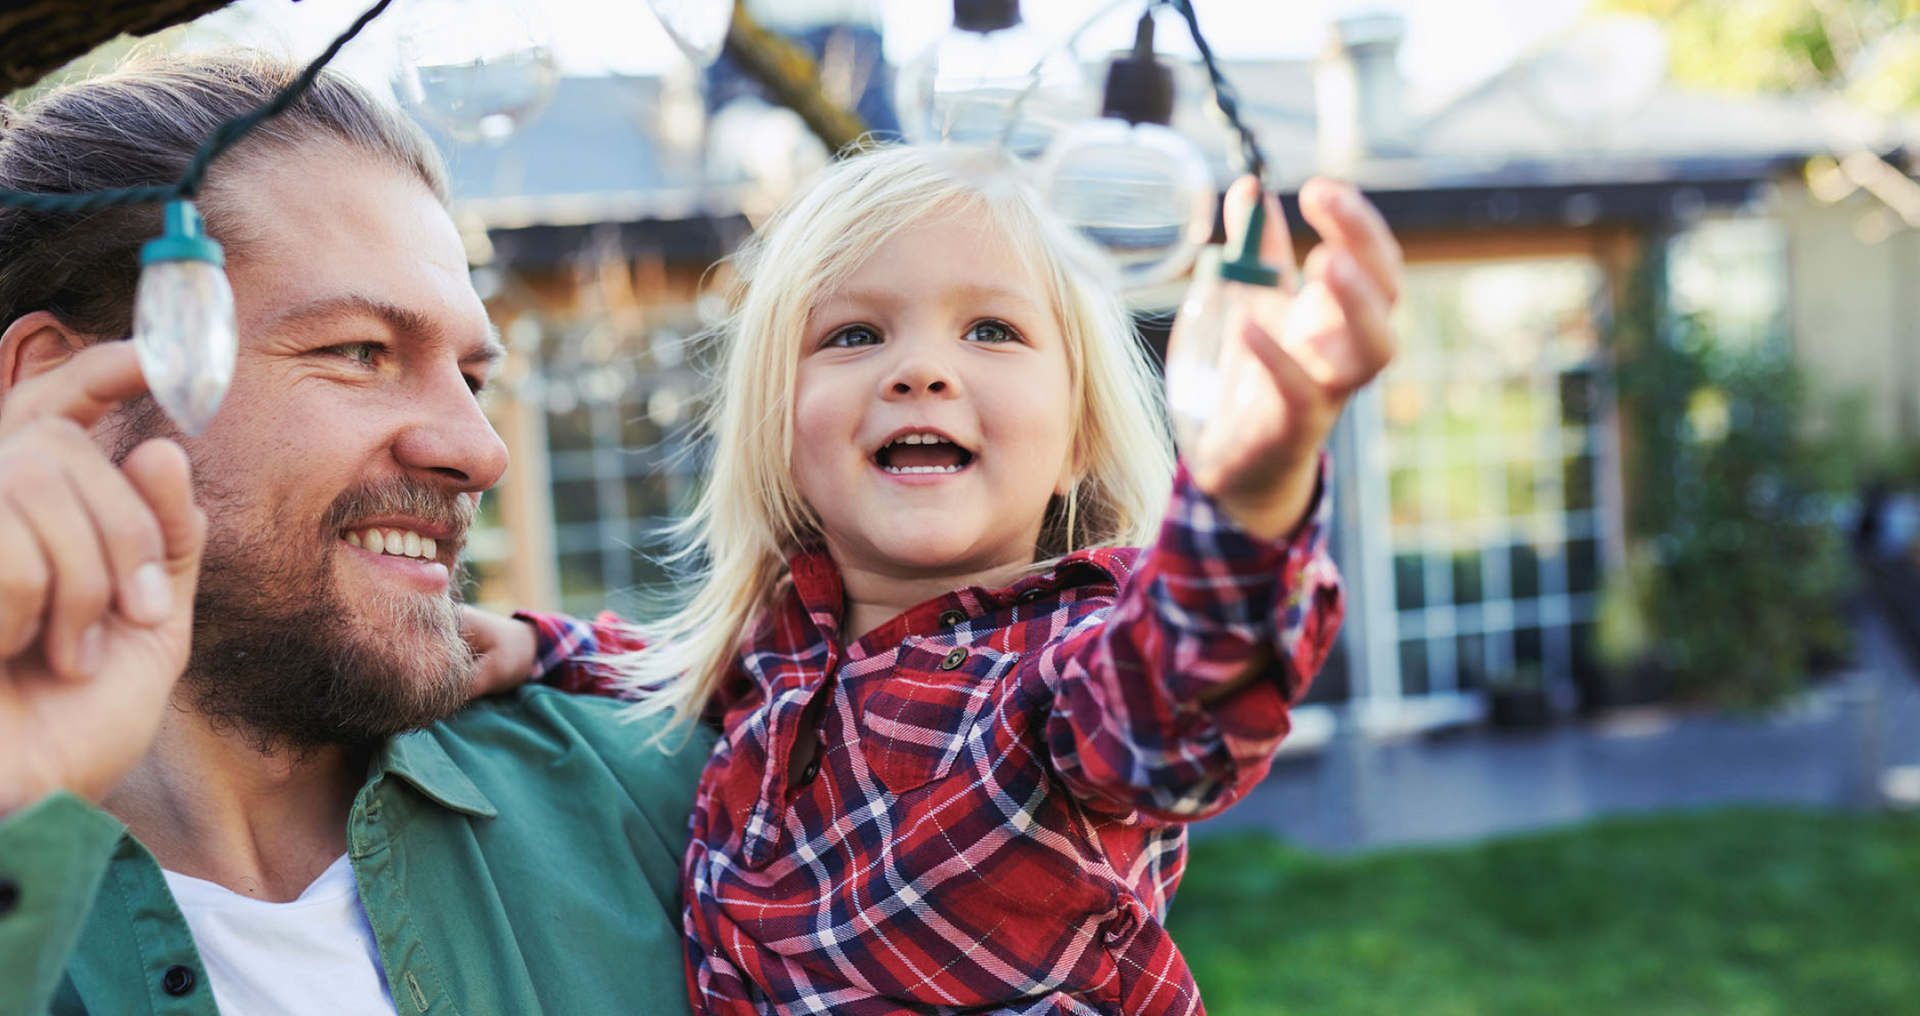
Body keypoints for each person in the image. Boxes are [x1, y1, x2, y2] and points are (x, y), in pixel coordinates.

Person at [462, 144, 1401, 1014]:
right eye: (854, 334)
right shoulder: (781, 642)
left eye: (991, 329)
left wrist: (1254, 493)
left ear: (1077, 436)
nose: (919, 370)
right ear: (778, 432)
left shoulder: (1060, 665)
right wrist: (542, 644)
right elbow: (676, 663)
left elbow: (1175, 700)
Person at [0, 54, 710, 1015]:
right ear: (58, 397)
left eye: (473, 376)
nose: (479, 449)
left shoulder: (683, 801)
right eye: (360, 351)